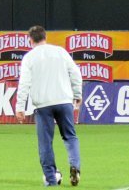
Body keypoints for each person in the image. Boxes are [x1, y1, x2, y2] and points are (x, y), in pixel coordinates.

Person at [16, 25, 83, 187]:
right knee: (70, 136)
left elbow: (24, 83)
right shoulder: (60, 52)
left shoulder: (29, 57)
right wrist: (77, 94)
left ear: (30, 39)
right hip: (64, 101)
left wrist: (20, 106)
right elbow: (75, 72)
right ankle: (75, 166)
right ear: (45, 37)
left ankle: (51, 179)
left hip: (43, 104)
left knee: (45, 143)